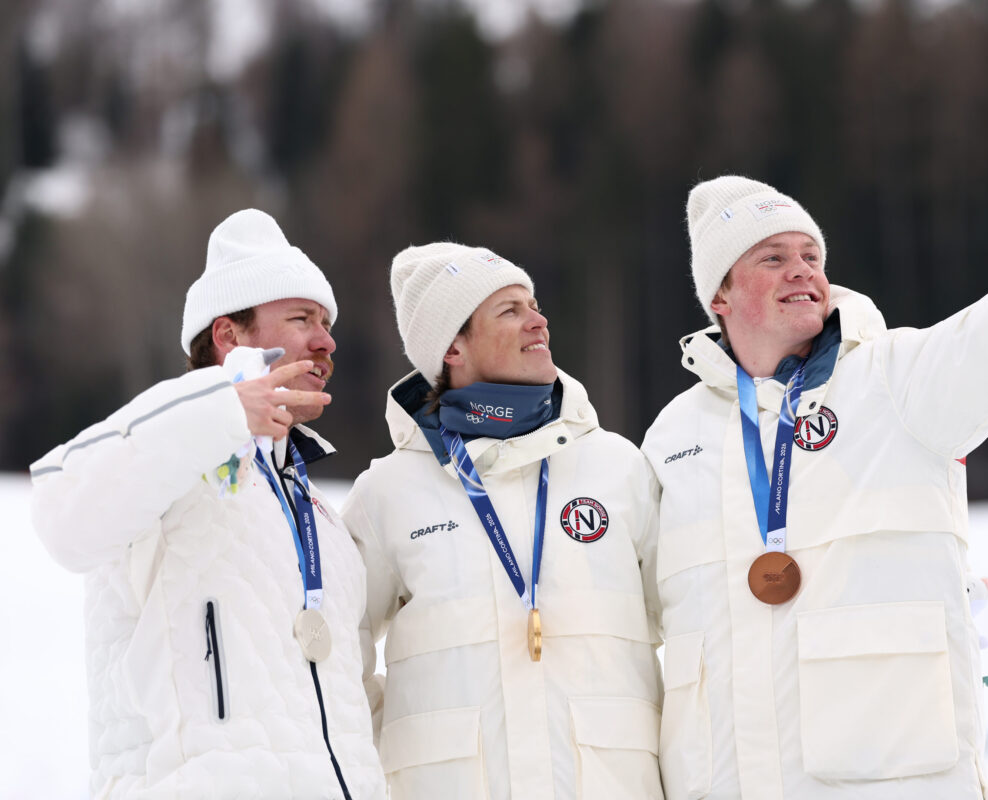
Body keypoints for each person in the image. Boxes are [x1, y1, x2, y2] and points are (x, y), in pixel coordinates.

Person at [641, 106, 988, 799]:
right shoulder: (673, 438)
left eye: (811, 257)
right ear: (719, 294)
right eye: (773, 258)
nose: (803, 272)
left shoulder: (898, 381)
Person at [29, 209, 385, 799]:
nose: (327, 340)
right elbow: (59, 516)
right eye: (301, 318)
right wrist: (222, 408)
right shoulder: (165, 456)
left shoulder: (320, 515)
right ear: (228, 336)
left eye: (326, 322)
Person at [342, 243, 663, 799]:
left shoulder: (618, 467)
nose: (538, 321)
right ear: (454, 349)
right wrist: (402, 759)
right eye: (510, 310)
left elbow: (684, 620)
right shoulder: (388, 494)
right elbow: (338, 658)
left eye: (534, 305)